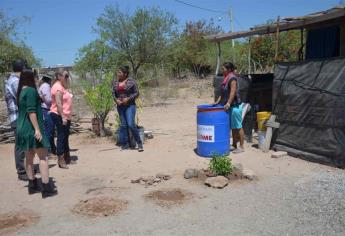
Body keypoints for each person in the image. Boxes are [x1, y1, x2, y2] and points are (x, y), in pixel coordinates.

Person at [16, 69, 58, 198]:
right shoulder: (31, 91)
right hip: (31, 128)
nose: (37, 79)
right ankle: (46, 188)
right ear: (31, 77)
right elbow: (31, 111)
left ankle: (32, 186)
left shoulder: (21, 91)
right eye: (35, 76)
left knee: (28, 157)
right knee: (43, 158)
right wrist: (37, 129)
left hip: (22, 128)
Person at [4, 59, 27, 181]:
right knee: (20, 145)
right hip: (18, 118)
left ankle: (25, 168)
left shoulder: (15, 80)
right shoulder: (15, 81)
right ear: (22, 68)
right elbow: (22, 99)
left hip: (19, 117)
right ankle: (22, 171)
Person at [112, 66, 143, 152]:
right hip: (120, 106)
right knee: (123, 125)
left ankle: (139, 143)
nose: (118, 74)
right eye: (118, 72)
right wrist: (116, 100)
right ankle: (125, 145)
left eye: (120, 72)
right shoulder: (115, 82)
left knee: (131, 124)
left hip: (130, 106)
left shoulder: (131, 81)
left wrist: (128, 99)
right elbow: (113, 93)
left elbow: (137, 93)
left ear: (125, 74)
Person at [215, 62, 245, 153]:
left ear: (228, 70)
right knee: (233, 127)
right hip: (230, 107)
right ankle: (234, 145)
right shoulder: (225, 79)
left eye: (223, 69)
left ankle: (242, 147)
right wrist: (216, 103)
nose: (222, 70)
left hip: (235, 106)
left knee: (238, 126)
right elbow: (222, 93)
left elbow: (232, 92)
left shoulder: (232, 78)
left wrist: (228, 103)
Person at [50, 70, 72, 168]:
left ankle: (67, 157)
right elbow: (58, 103)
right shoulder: (57, 87)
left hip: (66, 115)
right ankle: (61, 159)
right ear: (59, 76)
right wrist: (63, 116)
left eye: (68, 76)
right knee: (61, 136)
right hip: (59, 115)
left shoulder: (62, 86)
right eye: (65, 76)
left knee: (65, 136)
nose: (67, 78)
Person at [38, 72, 56, 156]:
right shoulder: (46, 86)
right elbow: (48, 100)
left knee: (50, 131)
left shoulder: (44, 86)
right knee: (48, 131)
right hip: (46, 110)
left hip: (46, 109)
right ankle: (48, 152)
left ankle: (52, 150)